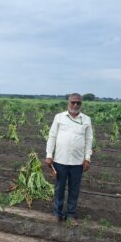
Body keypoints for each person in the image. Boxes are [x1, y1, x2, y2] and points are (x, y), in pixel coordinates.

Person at [45, 93, 93, 224]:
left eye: (78, 103)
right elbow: (52, 136)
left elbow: (89, 140)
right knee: (59, 187)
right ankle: (58, 213)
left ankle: (71, 214)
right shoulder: (59, 117)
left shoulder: (86, 120)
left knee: (74, 189)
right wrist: (49, 155)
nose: (75, 105)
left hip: (78, 162)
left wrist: (87, 158)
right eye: (73, 102)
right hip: (60, 160)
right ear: (68, 102)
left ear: (81, 104)